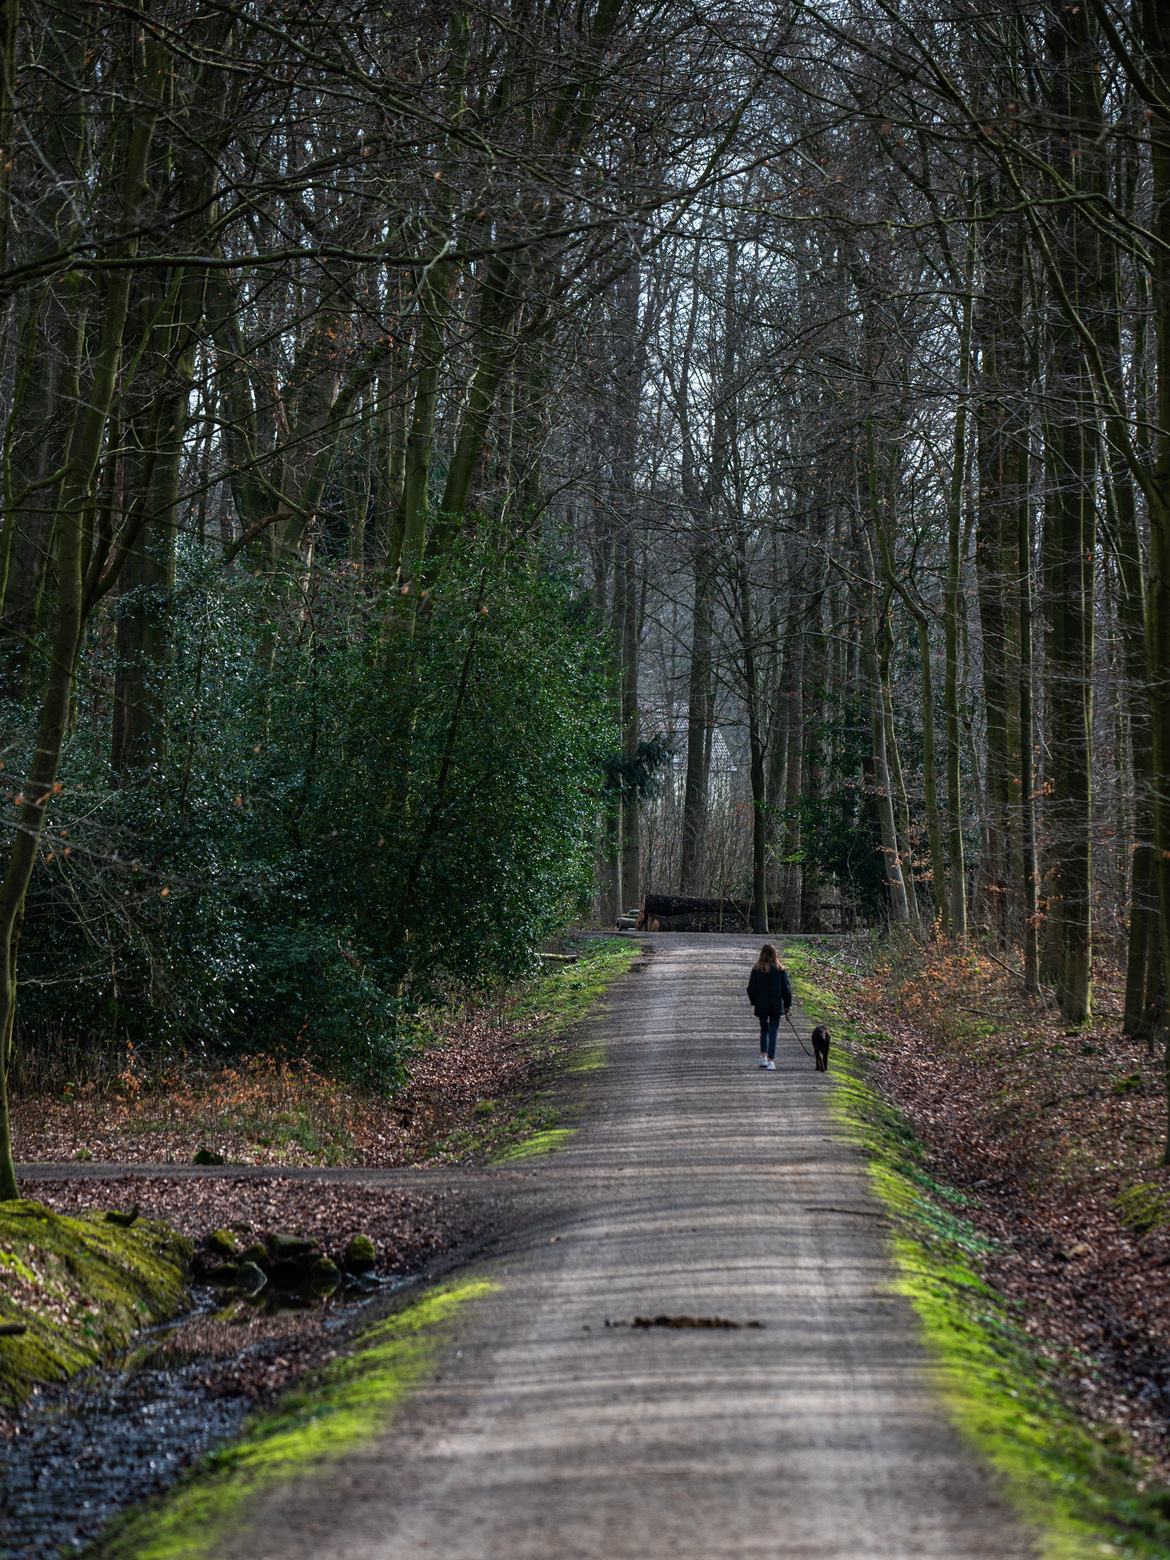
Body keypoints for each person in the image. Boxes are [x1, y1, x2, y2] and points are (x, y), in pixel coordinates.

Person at [746, 944, 793, 1070]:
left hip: (762, 1005)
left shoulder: (756, 969)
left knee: (764, 1030)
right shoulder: (779, 970)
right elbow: (786, 989)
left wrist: (754, 1001)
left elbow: (751, 988)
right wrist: (787, 1005)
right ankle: (771, 1061)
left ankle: (763, 1057)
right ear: (774, 954)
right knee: (773, 1031)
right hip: (776, 1005)